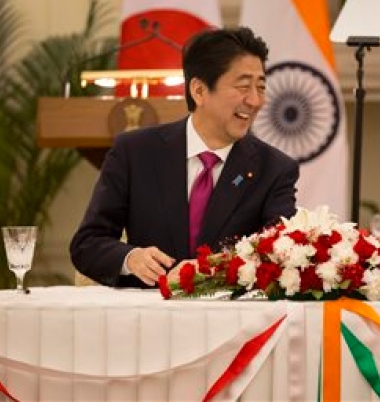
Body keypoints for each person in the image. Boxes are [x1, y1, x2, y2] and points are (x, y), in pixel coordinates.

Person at [70, 27, 299, 288]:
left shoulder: (274, 170)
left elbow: (280, 256)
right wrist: (130, 258)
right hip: (147, 316)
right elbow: (86, 244)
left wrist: (211, 270)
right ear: (199, 91)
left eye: (260, 87)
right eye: (244, 86)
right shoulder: (135, 152)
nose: (256, 100)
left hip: (231, 321)